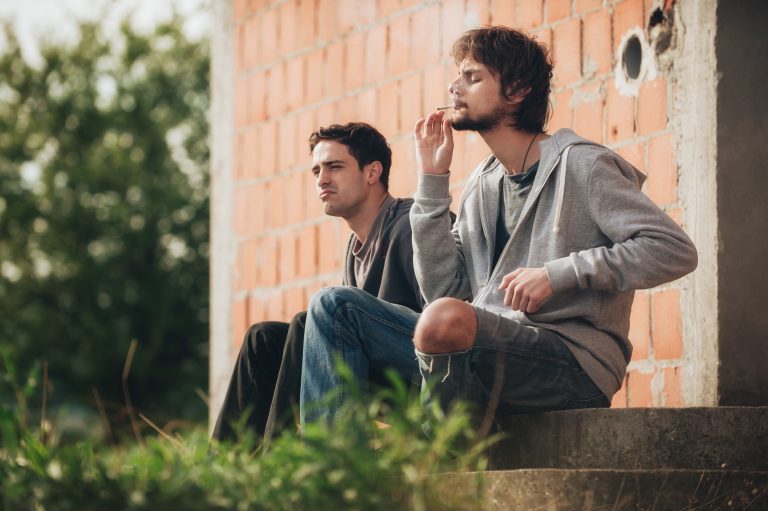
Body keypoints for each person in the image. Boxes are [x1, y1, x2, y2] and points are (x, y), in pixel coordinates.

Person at [300, 26, 697, 433]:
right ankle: (336, 474)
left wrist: (558, 274)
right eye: (458, 76)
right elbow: (444, 294)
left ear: (518, 90)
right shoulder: (484, 183)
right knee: (336, 307)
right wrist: (433, 180)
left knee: (439, 319)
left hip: (568, 365)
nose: (455, 87)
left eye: (472, 77)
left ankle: (440, 450)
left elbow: (673, 249)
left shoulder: (583, 165)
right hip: (486, 353)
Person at [212, 122, 424, 443]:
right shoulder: (354, 249)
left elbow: (444, 313)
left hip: (423, 373)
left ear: (372, 172)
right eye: (316, 171)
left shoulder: (412, 224)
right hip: (377, 370)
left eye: (335, 167)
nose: (322, 179)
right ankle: (227, 473)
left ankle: (285, 464)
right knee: (264, 340)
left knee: (304, 322)